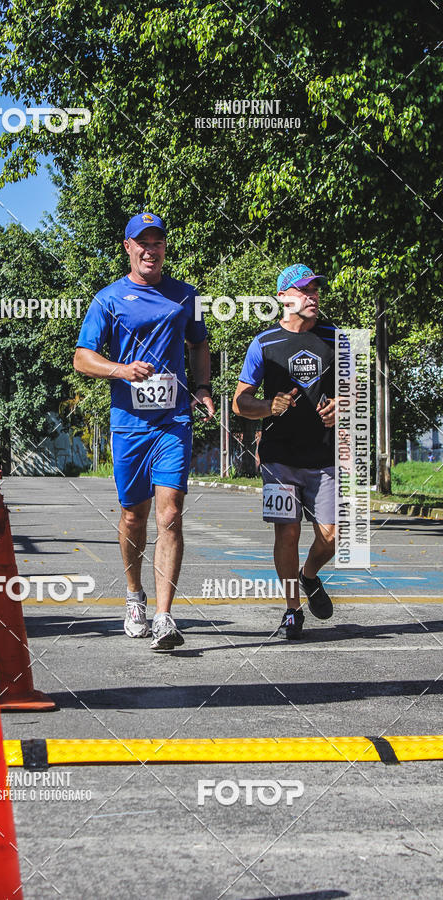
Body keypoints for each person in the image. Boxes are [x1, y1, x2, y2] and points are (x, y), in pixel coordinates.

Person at [73, 213, 214, 650]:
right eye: (142, 242)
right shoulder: (108, 299)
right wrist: (122, 370)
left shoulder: (185, 296)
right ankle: (134, 596)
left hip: (173, 421)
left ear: (165, 248)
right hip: (129, 424)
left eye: (158, 242)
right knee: (134, 515)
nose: (150, 250)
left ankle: (165, 615)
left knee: (170, 514)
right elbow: (82, 357)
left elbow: (199, 344)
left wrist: (203, 387)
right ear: (128, 247)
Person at [232, 263, 337, 639]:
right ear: (283, 297)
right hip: (278, 459)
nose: (313, 296)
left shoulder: (336, 338)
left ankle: (309, 575)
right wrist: (268, 406)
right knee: (287, 533)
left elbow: (357, 391)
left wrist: (342, 405)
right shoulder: (263, 344)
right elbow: (239, 403)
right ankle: (292, 610)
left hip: (325, 457)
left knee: (331, 536)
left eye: (316, 289)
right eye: (304, 289)